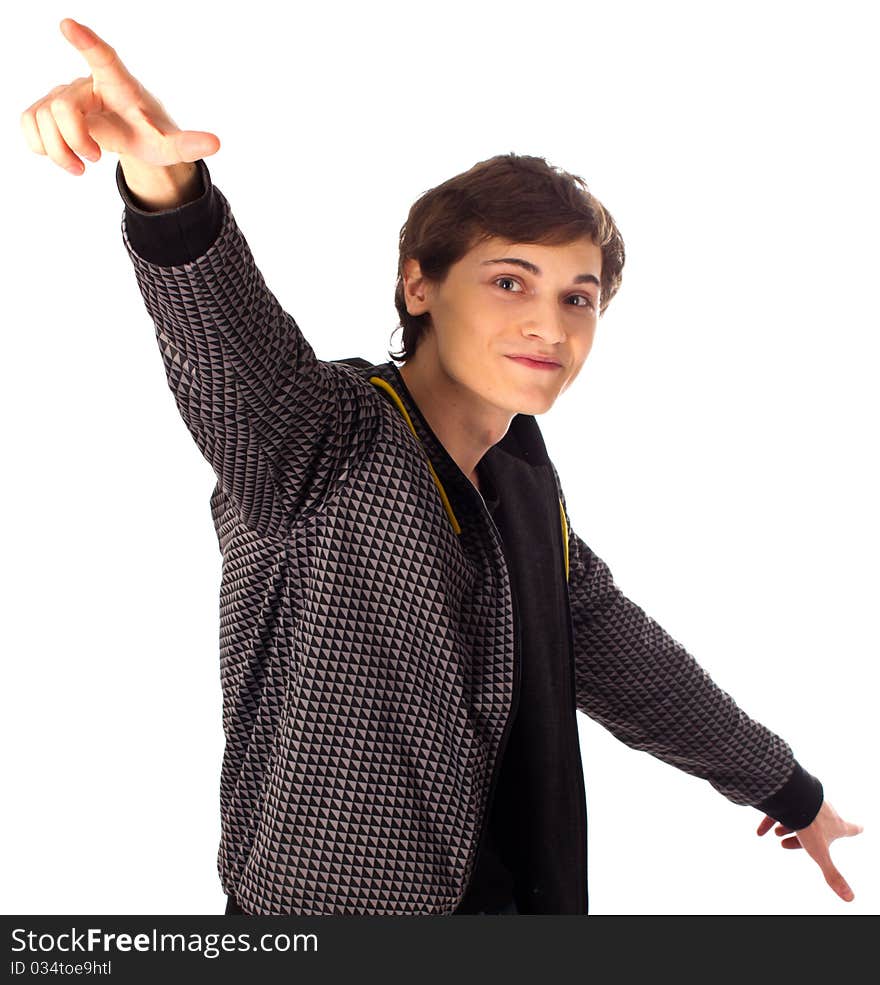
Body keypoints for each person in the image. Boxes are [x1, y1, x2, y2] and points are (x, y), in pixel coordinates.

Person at [21, 17, 863, 916]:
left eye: (577, 297)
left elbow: (616, 650)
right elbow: (231, 348)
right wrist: (167, 190)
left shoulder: (524, 479)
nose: (551, 324)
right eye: (510, 281)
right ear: (419, 285)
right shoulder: (325, 440)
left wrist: (790, 790)